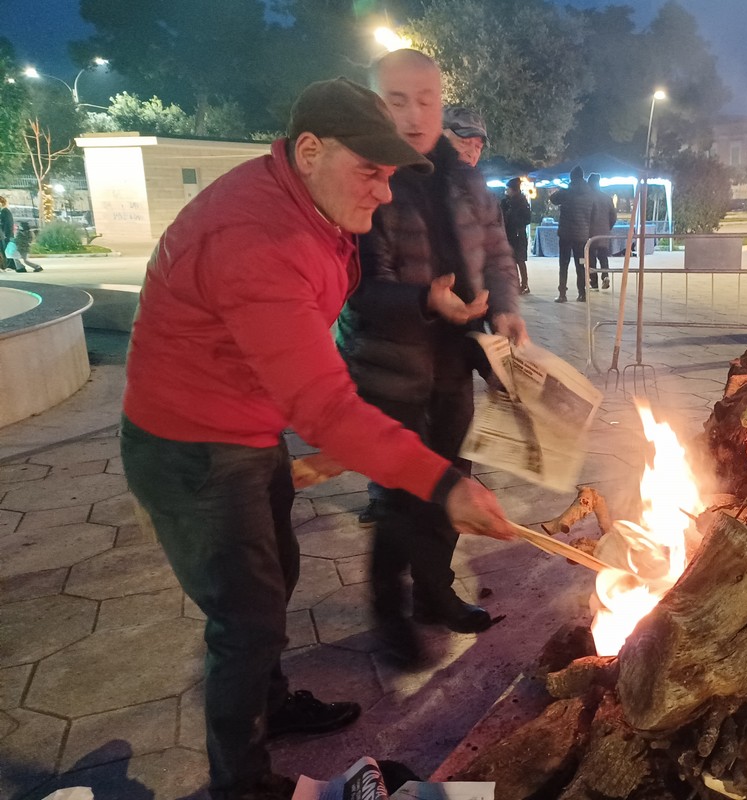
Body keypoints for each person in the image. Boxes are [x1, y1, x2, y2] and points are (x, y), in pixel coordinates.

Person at [119, 77, 513, 800]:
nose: (384, 194)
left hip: (245, 424)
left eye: (390, 176)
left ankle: (269, 705)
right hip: (191, 447)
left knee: (278, 572)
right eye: (370, 173)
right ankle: (242, 784)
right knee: (246, 619)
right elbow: (323, 404)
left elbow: (315, 360)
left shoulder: (314, 207)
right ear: (309, 151)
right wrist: (441, 483)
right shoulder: (256, 237)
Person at [336, 49, 527, 658]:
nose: (415, 115)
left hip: (454, 360)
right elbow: (359, 288)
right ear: (375, 105)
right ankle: (389, 611)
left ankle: (434, 592)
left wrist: (505, 307)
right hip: (391, 365)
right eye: (397, 101)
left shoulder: (465, 178)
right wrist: (426, 300)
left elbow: (497, 253)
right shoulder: (365, 179)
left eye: (426, 100)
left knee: (451, 480)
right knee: (400, 492)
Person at [548, 165, 592, 302]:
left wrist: (565, 187)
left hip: (566, 233)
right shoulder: (589, 193)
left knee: (564, 264)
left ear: (571, 178)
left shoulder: (567, 192)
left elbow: (553, 199)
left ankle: (562, 293)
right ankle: (582, 293)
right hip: (582, 234)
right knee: (581, 264)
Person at [500, 177, 532, 294]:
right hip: (509, 234)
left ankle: (524, 284)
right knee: (512, 260)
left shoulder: (522, 202)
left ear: (514, 189)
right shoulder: (506, 202)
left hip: (518, 235)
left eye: (508, 189)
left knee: (520, 260)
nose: (506, 191)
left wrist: (515, 220)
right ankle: (515, 284)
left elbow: (527, 219)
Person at [586, 173, 616, 291]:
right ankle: (605, 276)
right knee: (603, 256)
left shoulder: (587, 197)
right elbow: (613, 216)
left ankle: (594, 283)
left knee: (591, 257)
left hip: (590, 232)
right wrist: (608, 227)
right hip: (604, 232)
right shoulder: (607, 198)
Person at [0, 197, 15, 271]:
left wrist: (7, 235)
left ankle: (11, 265)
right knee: (3, 250)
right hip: (3, 235)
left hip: (5, 235)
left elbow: (8, 224)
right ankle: (4, 265)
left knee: (7, 250)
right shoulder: (2, 211)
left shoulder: (5, 211)